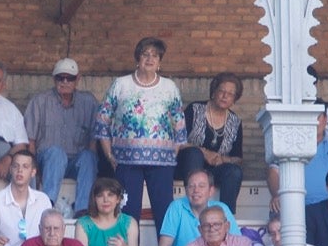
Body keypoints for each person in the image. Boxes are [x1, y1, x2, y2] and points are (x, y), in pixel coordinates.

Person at [94, 36, 186, 234]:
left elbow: (180, 125)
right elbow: (102, 121)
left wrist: (172, 154)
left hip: (162, 162)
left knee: (165, 213)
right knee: (127, 214)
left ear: (160, 62)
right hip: (126, 160)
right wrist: (110, 155)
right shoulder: (121, 84)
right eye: (145, 54)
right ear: (138, 58)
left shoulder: (169, 87)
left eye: (155, 55)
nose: (150, 59)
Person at [24, 58, 98, 216]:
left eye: (69, 78)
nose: (65, 82)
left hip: (76, 162)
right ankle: (47, 205)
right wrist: (33, 168)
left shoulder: (89, 102)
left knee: (88, 156)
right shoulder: (40, 101)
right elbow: (30, 140)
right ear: (54, 78)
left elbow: (93, 139)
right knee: (57, 153)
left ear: (77, 79)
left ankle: (82, 210)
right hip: (47, 161)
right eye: (60, 77)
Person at [268, 99, 328, 210]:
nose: (313, 121)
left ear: (325, 119)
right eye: (309, 116)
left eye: (317, 117)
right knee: (275, 225)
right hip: (297, 207)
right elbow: (273, 172)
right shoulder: (290, 139)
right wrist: (277, 195)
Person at [176, 72, 244, 212]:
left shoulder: (235, 121)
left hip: (213, 171)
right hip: (187, 166)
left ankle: (226, 215)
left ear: (234, 99)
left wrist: (222, 159)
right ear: (213, 93)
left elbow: (238, 158)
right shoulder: (195, 109)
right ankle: (192, 208)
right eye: (222, 91)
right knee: (194, 153)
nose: (225, 96)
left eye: (231, 94)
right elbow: (178, 141)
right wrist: (204, 152)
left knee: (234, 171)